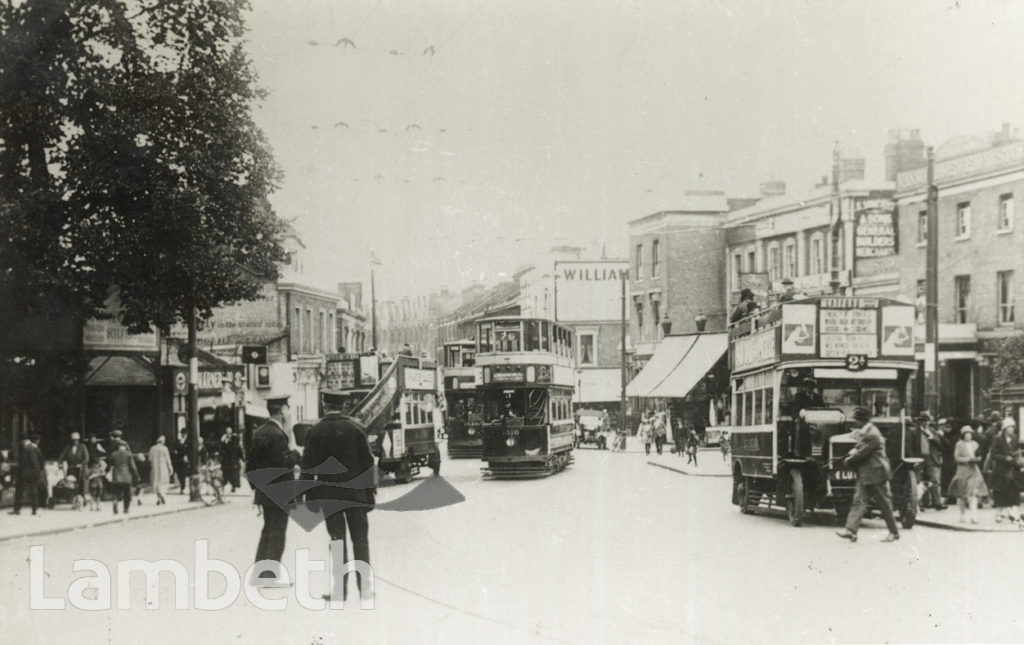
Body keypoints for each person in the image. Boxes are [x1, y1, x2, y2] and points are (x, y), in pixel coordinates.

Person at [301, 392, 376, 601]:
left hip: (329, 497)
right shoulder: (356, 428)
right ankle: (365, 589)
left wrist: (309, 496)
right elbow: (368, 464)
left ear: (324, 405)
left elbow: (307, 466)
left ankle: (339, 591)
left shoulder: (315, 431)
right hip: (355, 495)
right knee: (360, 540)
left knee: (336, 540)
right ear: (343, 405)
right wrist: (370, 493)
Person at [246, 395, 298, 585]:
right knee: (277, 533)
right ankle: (269, 576)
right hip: (280, 493)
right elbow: (282, 463)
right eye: (287, 408)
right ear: (282, 410)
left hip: (265, 493)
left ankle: (259, 574)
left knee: (268, 531)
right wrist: (295, 455)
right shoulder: (277, 435)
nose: (288, 412)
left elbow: (250, 465)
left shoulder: (258, 432)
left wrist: (257, 489)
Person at [836, 407, 900, 543]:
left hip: (876, 473)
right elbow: (860, 447)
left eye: (856, 420)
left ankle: (894, 532)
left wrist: (849, 459)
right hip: (867, 473)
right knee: (858, 501)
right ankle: (851, 531)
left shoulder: (872, 434)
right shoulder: (868, 431)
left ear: (862, 420)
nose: (854, 423)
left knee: (884, 504)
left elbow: (863, 452)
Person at [948, 426, 988, 524]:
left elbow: (979, 456)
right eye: (966, 434)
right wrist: (968, 459)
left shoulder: (975, 444)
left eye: (970, 434)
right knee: (962, 495)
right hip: (963, 471)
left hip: (974, 470)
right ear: (963, 435)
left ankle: (974, 515)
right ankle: (962, 514)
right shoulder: (959, 444)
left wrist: (977, 459)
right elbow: (956, 458)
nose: (968, 436)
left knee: (974, 493)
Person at [986, 418, 1022, 525]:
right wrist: (1005, 458)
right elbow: (993, 454)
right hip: (1001, 470)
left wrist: (1017, 455)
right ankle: (999, 513)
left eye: (1013, 427)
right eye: (1010, 427)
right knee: (1000, 492)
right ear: (1005, 428)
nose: (1012, 429)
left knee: (1014, 491)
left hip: (1013, 469)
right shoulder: (998, 439)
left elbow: (1017, 451)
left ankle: (1014, 513)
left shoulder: (1015, 438)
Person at [919, 414, 948, 511]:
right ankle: (923, 502)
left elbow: (940, 445)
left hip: (932, 458)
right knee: (921, 480)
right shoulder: (915, 431)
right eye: (923, 421)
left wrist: (932, 438)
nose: (925, 423)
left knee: (935, 480)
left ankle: (937, 502)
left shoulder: (932, 431)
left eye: (927, 421)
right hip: (920, 457)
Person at [10, 437, 44, 515]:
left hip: (25, 473)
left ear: (23, 441)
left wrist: (18, 469)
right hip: (35, 473)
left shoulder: (25, 448)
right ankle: (34, 510)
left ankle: (17, 509)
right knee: (34, 491)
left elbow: (23, 463)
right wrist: (39, 470)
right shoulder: (35, 448)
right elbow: (42, 459)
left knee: (19, 490)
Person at [107, 440, 139, 514]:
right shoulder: (128, 454)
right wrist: (137, 476)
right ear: (124, 447)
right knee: (127, 494)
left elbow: (110, 466)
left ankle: (115, 501)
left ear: (118, 447)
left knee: (116, 492)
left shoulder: (113, 454)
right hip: (126, 477)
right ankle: (126, 509)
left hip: (116, 476)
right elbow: (133, 467)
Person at [59, 432, 90, 498]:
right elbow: (61, 456)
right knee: (70, 482)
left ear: (78, 440)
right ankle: (72, 497)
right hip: (71, 468)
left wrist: (81, 464)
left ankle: (84, 496)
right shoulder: (67, 448)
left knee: (82, 482)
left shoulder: (82, 447)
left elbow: (86, 458)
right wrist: (60, 463)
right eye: (73, 440)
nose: (75, 441)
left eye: (76, 440)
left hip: (81, 468)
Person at [148, 435, 173, 506]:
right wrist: (170, 467)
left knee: (156, 483)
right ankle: (162, 495)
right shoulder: (165, 448)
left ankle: (159, 498)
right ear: (162, 442)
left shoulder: (152, 448)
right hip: (163, 468)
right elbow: (168, 459)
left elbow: (150, 459)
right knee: (164, 482)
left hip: (155, 468)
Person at [220, 428, 242, 493]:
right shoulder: (224, 439)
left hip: (232, 460)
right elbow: (222, 449)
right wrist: (223, 442)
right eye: (227, 433)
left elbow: (237, 449)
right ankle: (223, 486)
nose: (228, 434)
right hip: (226, 461)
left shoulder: (234, 440)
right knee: (226, 474)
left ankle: (233, 487)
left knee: (233, 475)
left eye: (229, 433)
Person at [171, 429, 190, 494]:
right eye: (182, 433)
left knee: (184, 474)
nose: (183, 435)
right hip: (178, 460)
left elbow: (189, 450)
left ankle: (183, 487)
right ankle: (182, 487)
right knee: (180, 475)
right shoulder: (177, 442)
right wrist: (175, 452)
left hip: (185, 461)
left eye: (184, 434)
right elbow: (174, 450)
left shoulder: (188, 442)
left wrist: (186, 455)